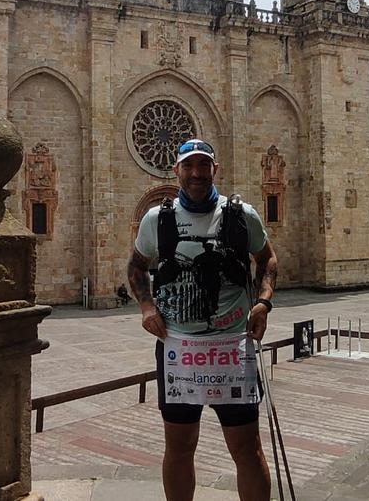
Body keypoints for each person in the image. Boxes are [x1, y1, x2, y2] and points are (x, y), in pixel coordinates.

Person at [128, 138, 277, 501]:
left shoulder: (242, 215)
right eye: (189, 165)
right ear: (177, 170)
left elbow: (267, 258)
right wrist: (147, 308)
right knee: (178, 447)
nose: (196, 173)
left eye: (203, 165)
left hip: (231, 348)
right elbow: (136, 266)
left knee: (246, 447)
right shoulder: (156, 219)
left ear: (215, 169)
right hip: (180, 349)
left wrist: (264, 302)